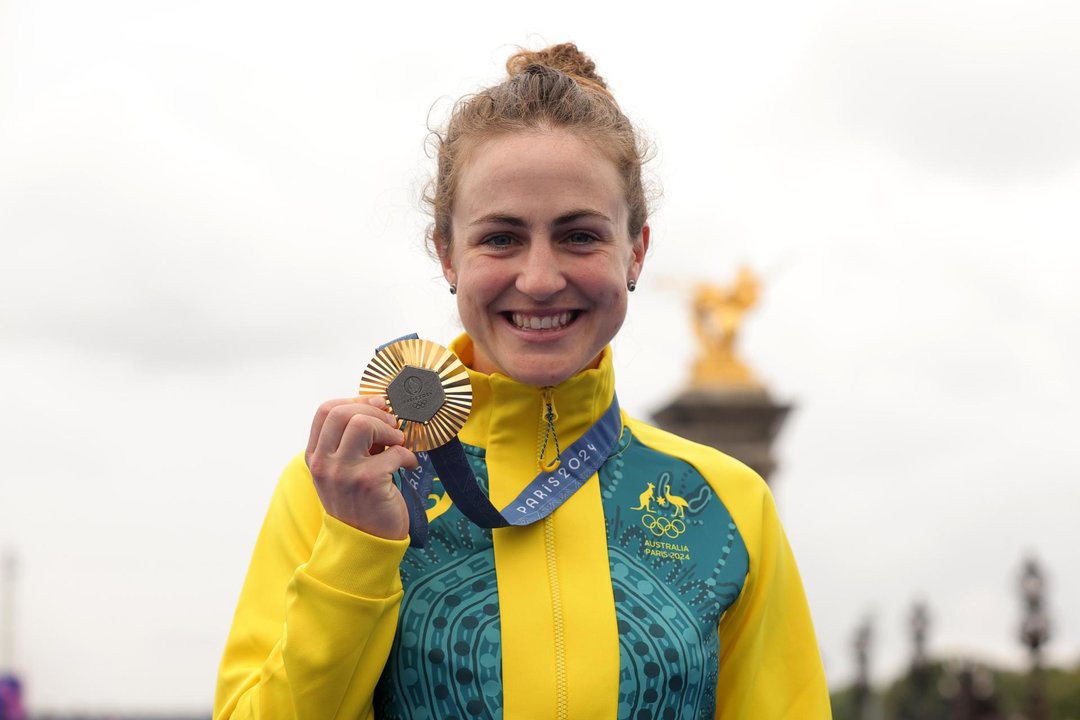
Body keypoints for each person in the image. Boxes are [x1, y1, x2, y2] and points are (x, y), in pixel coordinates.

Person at [214, 43, 830, 719]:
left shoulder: (731, 503)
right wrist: (357, 550)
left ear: (637, 252)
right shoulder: (339, 484)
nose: (539, 279)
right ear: (446, 253)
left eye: (579, 237)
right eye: (501, 238)